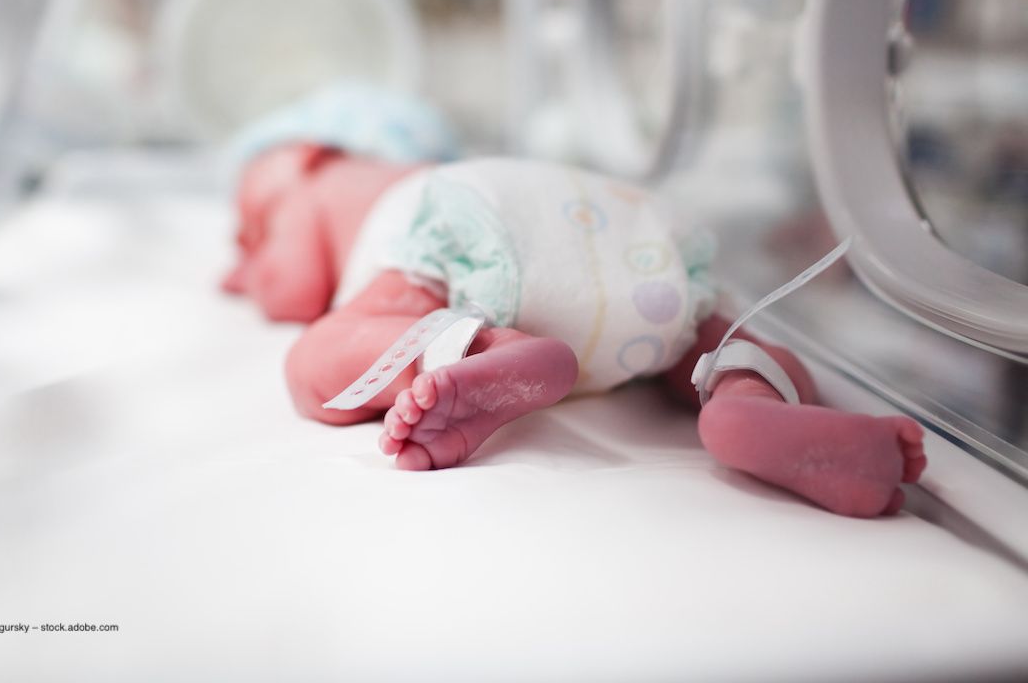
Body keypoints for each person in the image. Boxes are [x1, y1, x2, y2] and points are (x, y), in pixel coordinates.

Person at [222, 87, 926, 519]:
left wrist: (251, 270)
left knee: (310, 362)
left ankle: (486, 350)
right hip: (627, 225)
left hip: (465, 227)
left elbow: (290, 291)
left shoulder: (334, 183)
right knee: (703, 337)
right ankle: (751, 400)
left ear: (304, 154)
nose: (252, 247)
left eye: (254, 226)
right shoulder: (492, 173)